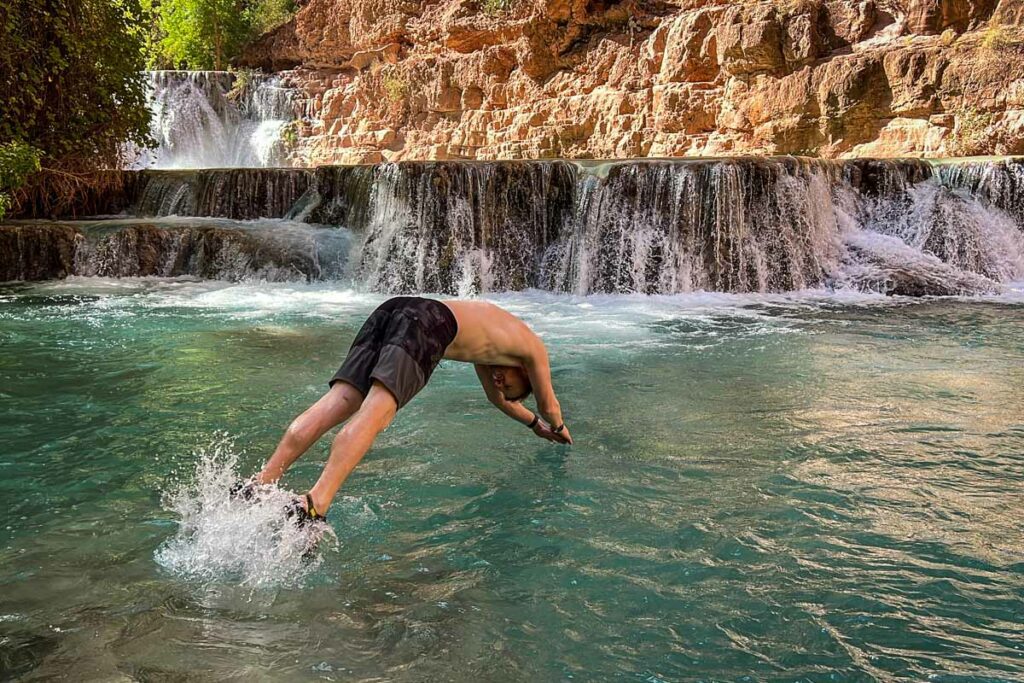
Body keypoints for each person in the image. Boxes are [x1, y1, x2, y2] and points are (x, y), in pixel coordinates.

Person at [235, 297, 573, 525]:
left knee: (339, 402)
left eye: (504, 384)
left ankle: (260, 484)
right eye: (510, 383)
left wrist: (532, 425)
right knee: (374, 415)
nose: (500, 382)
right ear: (525, 373)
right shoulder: (534, 349)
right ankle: (315, 505)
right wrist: (557, 429)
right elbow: (550, 405)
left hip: (396, 309)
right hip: (428, 324)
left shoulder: (494, 345)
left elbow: (497, 401)